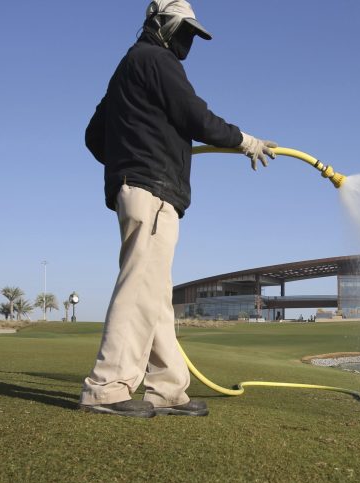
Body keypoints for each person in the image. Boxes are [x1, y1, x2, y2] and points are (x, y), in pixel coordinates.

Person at [80, 0, 276, 418]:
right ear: (159, 24)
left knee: (154, 294)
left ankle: (168, 389)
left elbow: (95, 136)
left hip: (140, 187)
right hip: (151, 188)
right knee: (139, 288)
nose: (189, 40)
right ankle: (107, 388)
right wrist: (246, 141)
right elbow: (195, 116)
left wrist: (127, 156)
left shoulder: (127, 69)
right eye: (184, 30)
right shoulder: (156, 59)